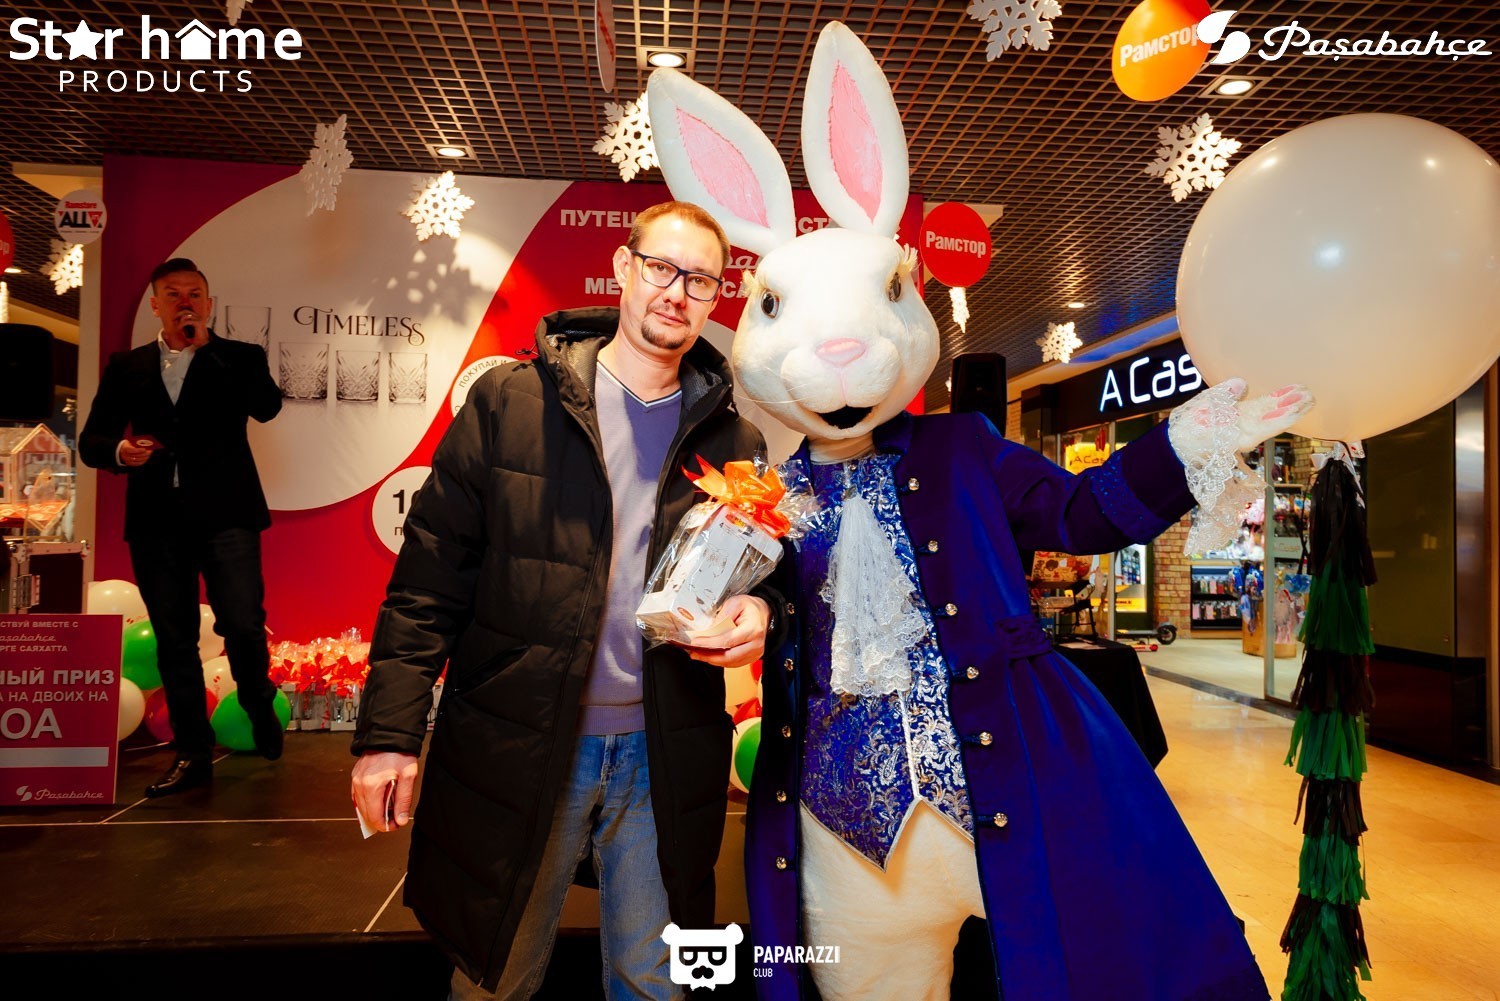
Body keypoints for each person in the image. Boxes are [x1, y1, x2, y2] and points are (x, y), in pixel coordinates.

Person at [351, 201, 775, 1001]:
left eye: (701, 280)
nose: (677, 292)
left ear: (716, 297)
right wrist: (388, 736)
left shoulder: (735, 442)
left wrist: (763, 613)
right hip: (524, 738)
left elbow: (761, 577)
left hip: (666, 749)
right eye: (661, 268)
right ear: (622, 267)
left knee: (655, 981)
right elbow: (429, 580)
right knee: (497, 973)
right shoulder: (510, 404)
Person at [80, 257, 285, 797]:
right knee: (175, 640)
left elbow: (267, 408)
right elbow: (92, 440)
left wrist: (207, 349)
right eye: (173, 294)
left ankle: (257, 699)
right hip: (156, 521)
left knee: (243, 623)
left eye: (194, 293)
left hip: (228, 515)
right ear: (156, 305)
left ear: (208, 304)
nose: (185, 302)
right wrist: (120, 451)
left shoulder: (238, 356)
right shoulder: (128, 366)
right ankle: (193, 752)